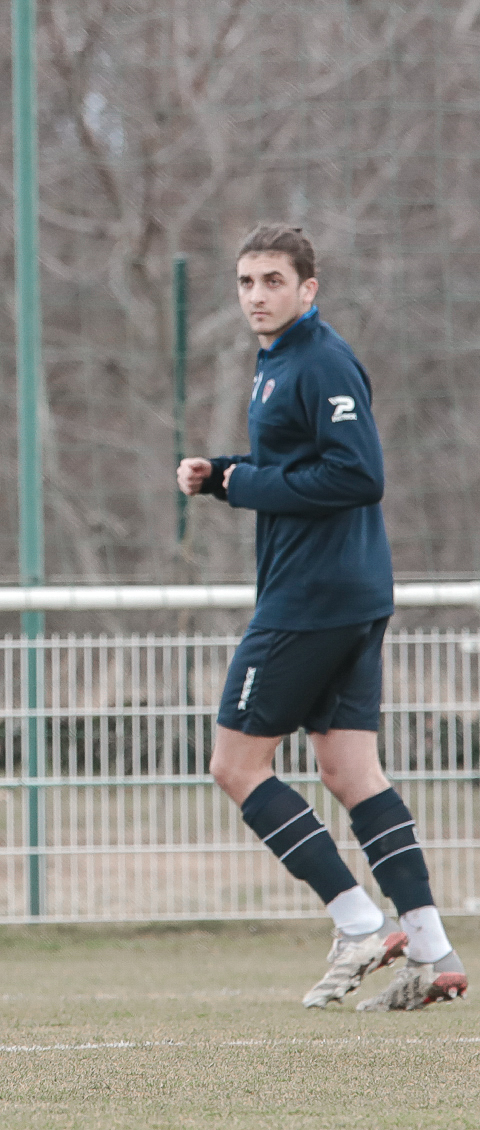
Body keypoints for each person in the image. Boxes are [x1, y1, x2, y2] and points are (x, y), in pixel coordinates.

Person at [178, 223, 466, 1011]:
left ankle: (356, 919)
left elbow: (357, 475)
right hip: (349, 594)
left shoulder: (321, 359)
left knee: (235, 766)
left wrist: (239, 487)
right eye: (245, 282)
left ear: (310, 289)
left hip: (311, 600)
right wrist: (223, 473)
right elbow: (300, 469)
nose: (257, 296)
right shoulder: (281, 365)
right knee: (348, 771)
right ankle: (435, 951)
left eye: (273, 281)